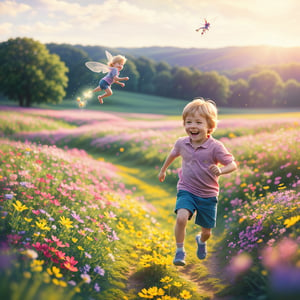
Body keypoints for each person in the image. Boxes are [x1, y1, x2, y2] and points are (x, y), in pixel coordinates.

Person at [158, 98, 237, 266]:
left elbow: (233, 164)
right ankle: (180, 251)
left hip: (208, 195)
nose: (192, 126)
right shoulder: (182, 142)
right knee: (181, 218)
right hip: (186, 189)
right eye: (188, 122)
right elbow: (173, 154)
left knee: (206, 232)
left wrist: (221, 170)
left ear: (210, 126)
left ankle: (201, 241)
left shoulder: (216, 147)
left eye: (198, 122)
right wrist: (163, 169)